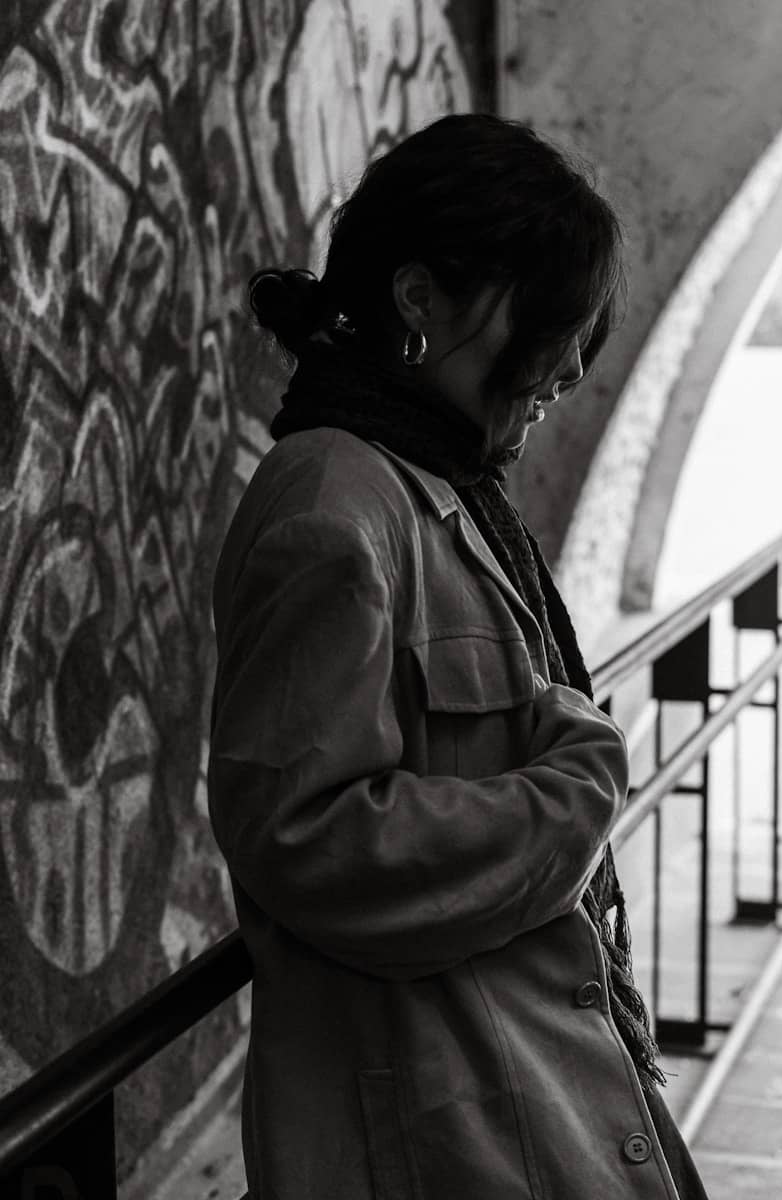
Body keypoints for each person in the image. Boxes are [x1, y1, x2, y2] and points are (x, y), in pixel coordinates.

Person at [207, 113, 709, 1200]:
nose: (567, 365)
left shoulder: (437, 484)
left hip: (515, 1090)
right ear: (418, 299)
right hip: (448, 1128)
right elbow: (303, 840)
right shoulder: (332, 504)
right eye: (545, 320)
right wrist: (571, 796)